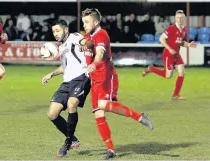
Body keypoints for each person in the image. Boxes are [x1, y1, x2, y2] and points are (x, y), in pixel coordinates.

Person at [81, 8, 154, 160]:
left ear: (96, 22)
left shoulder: (102, 34)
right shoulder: (88, 35)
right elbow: (87, 43)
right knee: (99, 114)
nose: (85, 25)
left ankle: (139, 116)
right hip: (94, 79)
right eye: (84, 22)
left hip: (107, 77)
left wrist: (94, 63)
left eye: (87, 22)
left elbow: (100, 53)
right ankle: (111, 150)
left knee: (102, 104)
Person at [41, 20, 91, 158]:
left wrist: (86, 45)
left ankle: (68, 142)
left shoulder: (74, 37)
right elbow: (64, 67)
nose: (55, 34)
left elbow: (86, 43)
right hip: (67, 82)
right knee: (52, 114)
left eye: (58, 30)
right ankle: (74, 139)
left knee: (71, 103)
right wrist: (51, 74)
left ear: (66, 29)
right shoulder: (62, 47)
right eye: (53, 32)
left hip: (82, 78)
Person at [142, 10, 197, 100]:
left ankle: (175, 95)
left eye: (181, 18)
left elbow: (181, 42)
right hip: (168, 54)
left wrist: (189, 45)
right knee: (168, 76)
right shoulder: (171, 28)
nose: (180, 19)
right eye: (178, 18)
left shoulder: (183, 29)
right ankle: (151, 69)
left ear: (183, 19)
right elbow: (161, 39)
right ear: (175, 18)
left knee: (182, 72)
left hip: (176, 54)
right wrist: (169, 49)